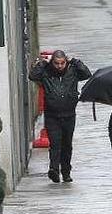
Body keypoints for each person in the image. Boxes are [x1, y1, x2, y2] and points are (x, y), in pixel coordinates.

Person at [28, 50, 92, 183]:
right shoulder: (46, 72)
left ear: (66, 62)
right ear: (53, 62)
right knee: (55, 143)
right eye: (56, 63)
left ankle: (66, 171)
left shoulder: (73, 71)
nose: (59, 66)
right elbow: (33, 76)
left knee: (67, 144)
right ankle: (54, 169)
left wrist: (75, 61)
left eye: (62, 63)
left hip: (69, 114)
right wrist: (42, 64)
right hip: (52, 115)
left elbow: (86, 74)